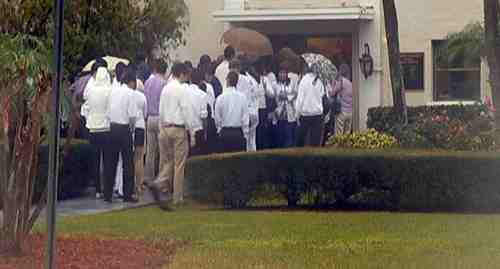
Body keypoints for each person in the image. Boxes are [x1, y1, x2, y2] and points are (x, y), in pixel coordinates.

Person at [149, 62, 194, 207]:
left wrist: (162, 129)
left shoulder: (165, 89)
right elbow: (186, 110)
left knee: (168, 162)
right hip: (178, 129)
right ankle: (177, 197)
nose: (186, 78)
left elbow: (161, 110)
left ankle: (159, 182)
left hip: (165, 128)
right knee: (179, 164)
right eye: (185, 75)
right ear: (181, 74)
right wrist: (191, 131)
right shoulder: (181, 89)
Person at [107, 68, 139, 203]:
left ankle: (107, 193)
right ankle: (127, 194)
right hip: (124, 129)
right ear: (131, 82)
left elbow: (108, 110)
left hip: (112, 127)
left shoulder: (113, 91)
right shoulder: (130, 93)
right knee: (128, 163)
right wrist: (131, 129)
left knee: (111, 162)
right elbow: (132, 116)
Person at [80, 67, 113, 199]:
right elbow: (111, 108)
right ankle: (106, 189)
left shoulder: (91, 90)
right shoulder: (109, 91)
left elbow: (85, 107)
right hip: (106, 128)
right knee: (107, 160)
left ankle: (98, 189)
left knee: (96, 159)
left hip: (93, 128)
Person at [144, 59, 168, 187]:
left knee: (150, 150)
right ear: (164, 70)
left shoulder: (148, 82)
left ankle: (148, 177)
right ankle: (160, 179)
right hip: (159, 118)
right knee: (162, 151)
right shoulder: (164, 83)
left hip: (149, 118)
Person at [214, 71, 250, 153]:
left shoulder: (220, 98)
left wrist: (219, 130)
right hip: (238, 133)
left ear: (227, 80)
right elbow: (245, 118)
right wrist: (245, 134)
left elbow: (217, 117)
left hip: (225, 133)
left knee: (225, 163)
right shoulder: (242, 97)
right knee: (239, 162)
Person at [295, 63, 325, 147]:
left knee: (300, 141)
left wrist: (297, 115)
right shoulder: (320, 81)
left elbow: (300, 99)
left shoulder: (303, 80)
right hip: (318, 115)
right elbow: (322, 96)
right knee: (315, 143)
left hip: (305, 115)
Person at [273, 64, 298, 148]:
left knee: (289, 137)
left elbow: (295, 94)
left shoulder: (291, 84)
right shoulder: (275, 84)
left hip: (289, 114)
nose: (282, 74)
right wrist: (285, 95)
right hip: (279, 114)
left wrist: (287, 96)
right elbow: (275, 95)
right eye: (280, 73)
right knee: (279, 138)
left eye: (284, 73)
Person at [186, 69, 209, 156]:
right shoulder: (202, 95)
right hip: (198, 130)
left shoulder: (183, 92)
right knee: (199, 159)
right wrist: (205, 131)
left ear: (190, 79)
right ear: (200, 81)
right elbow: (204, 117)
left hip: (186, 130)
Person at [132, 77, 148, 198]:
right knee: (139, 158)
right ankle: (139, 184)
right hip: (140, 127)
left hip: (130, 127)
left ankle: (131, 184)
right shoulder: (142, 97)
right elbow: (145, 113)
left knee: (130, 157)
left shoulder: (127, 95)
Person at [331, 64, 353, 135]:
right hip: (350, 112)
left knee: (338, 135)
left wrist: (333, 84)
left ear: (340, 71)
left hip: (341, 112)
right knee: (347, 135)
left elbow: (332, 93)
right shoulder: (350, 83)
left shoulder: (341, 81)